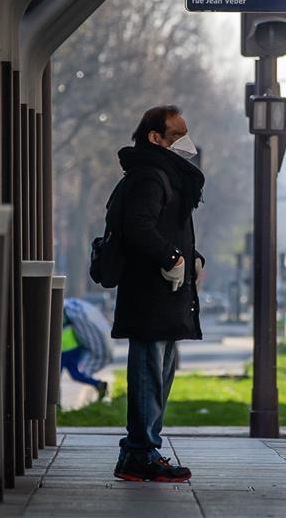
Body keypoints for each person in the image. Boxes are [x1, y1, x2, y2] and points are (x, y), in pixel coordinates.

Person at [111, 105, 205, 483]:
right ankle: (140, 453)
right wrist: (172, 256)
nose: (187, 141)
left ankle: (143, 450)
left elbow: (167, 227)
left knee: (161, 370)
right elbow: (139, 227)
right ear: (155, 138)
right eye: (177, 133)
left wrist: (191, 256)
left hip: (166, 293)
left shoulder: (165, 176)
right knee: (150, 372)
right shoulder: (151, 176)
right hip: (151, 293)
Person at [61, 298, 113, 401]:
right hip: (74, 348)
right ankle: (99, 384)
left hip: (65, 350)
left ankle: (54, 405)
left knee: (53, 379)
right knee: (76, 375)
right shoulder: (69, 312)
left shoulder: (64, 314)